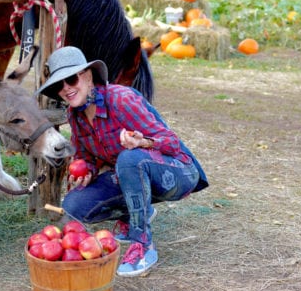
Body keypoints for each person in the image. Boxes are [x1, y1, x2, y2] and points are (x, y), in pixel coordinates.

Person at [36, 46, 208, 277]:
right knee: (74, 206)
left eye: (70, 79)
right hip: (130, 175)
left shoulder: (121, 99)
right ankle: (135, 215)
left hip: (178, 173)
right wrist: (86, 169)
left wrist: (143, 142)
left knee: (129, 159)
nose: (66, 88)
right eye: (59, 85)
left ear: (87, 76)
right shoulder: (74, 116)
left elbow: (171, 143)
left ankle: (143, 245)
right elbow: (87, 156)